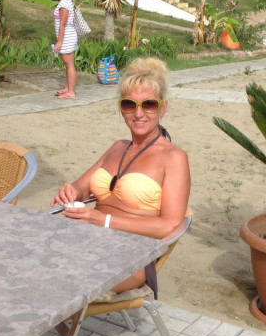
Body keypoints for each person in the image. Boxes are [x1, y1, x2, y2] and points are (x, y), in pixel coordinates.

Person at [51, 57, 191, 295]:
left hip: (131, 254)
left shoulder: (173, 157)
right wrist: (71, 192)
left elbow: (169, 224)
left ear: (162, 108)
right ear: (121, 108)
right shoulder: (118, 147)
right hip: (86, 240)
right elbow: (81, 188)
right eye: (129, 104)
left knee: (58, 280)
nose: (138, 113)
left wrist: (104, 221)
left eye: (149, 104)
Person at [50, 0, 79, 98]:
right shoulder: (65, 1)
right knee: (68, 64)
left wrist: (59, 42)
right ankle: (68, 87)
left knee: (69, 64)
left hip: (67, 38)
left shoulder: (64, 4)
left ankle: (71, 92)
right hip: (66, 37)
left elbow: (63, 23)